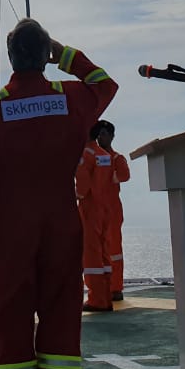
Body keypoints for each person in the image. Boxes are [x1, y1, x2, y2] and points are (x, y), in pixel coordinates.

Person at [0, 19, 117, 369]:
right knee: (62, 308)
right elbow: (105, 84)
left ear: (11, 57)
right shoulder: (70, 98)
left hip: (13, 223)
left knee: (13, 311)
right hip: (62, 220)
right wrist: (64, 54)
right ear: (45, 56)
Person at [75, 126, 114, 311]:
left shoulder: (86, 154)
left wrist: (76, 196)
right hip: (105, 208)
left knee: (91, 255)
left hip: (90, 209)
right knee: (104, 253)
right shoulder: (103, 155)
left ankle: (96, 299)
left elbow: (82, 186)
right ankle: (106, 297)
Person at [92, 120, 129, 301]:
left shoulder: (117, 159)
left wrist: (105, 174)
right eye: (99, 134)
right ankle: (100, 289)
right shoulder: (91, 156)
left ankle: (115, 288)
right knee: (96, 251)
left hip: (112, 211)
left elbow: (124, 175)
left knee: (114, 250)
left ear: (112, 136)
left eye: (104, 134)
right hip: (94, 211)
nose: (101, 137)